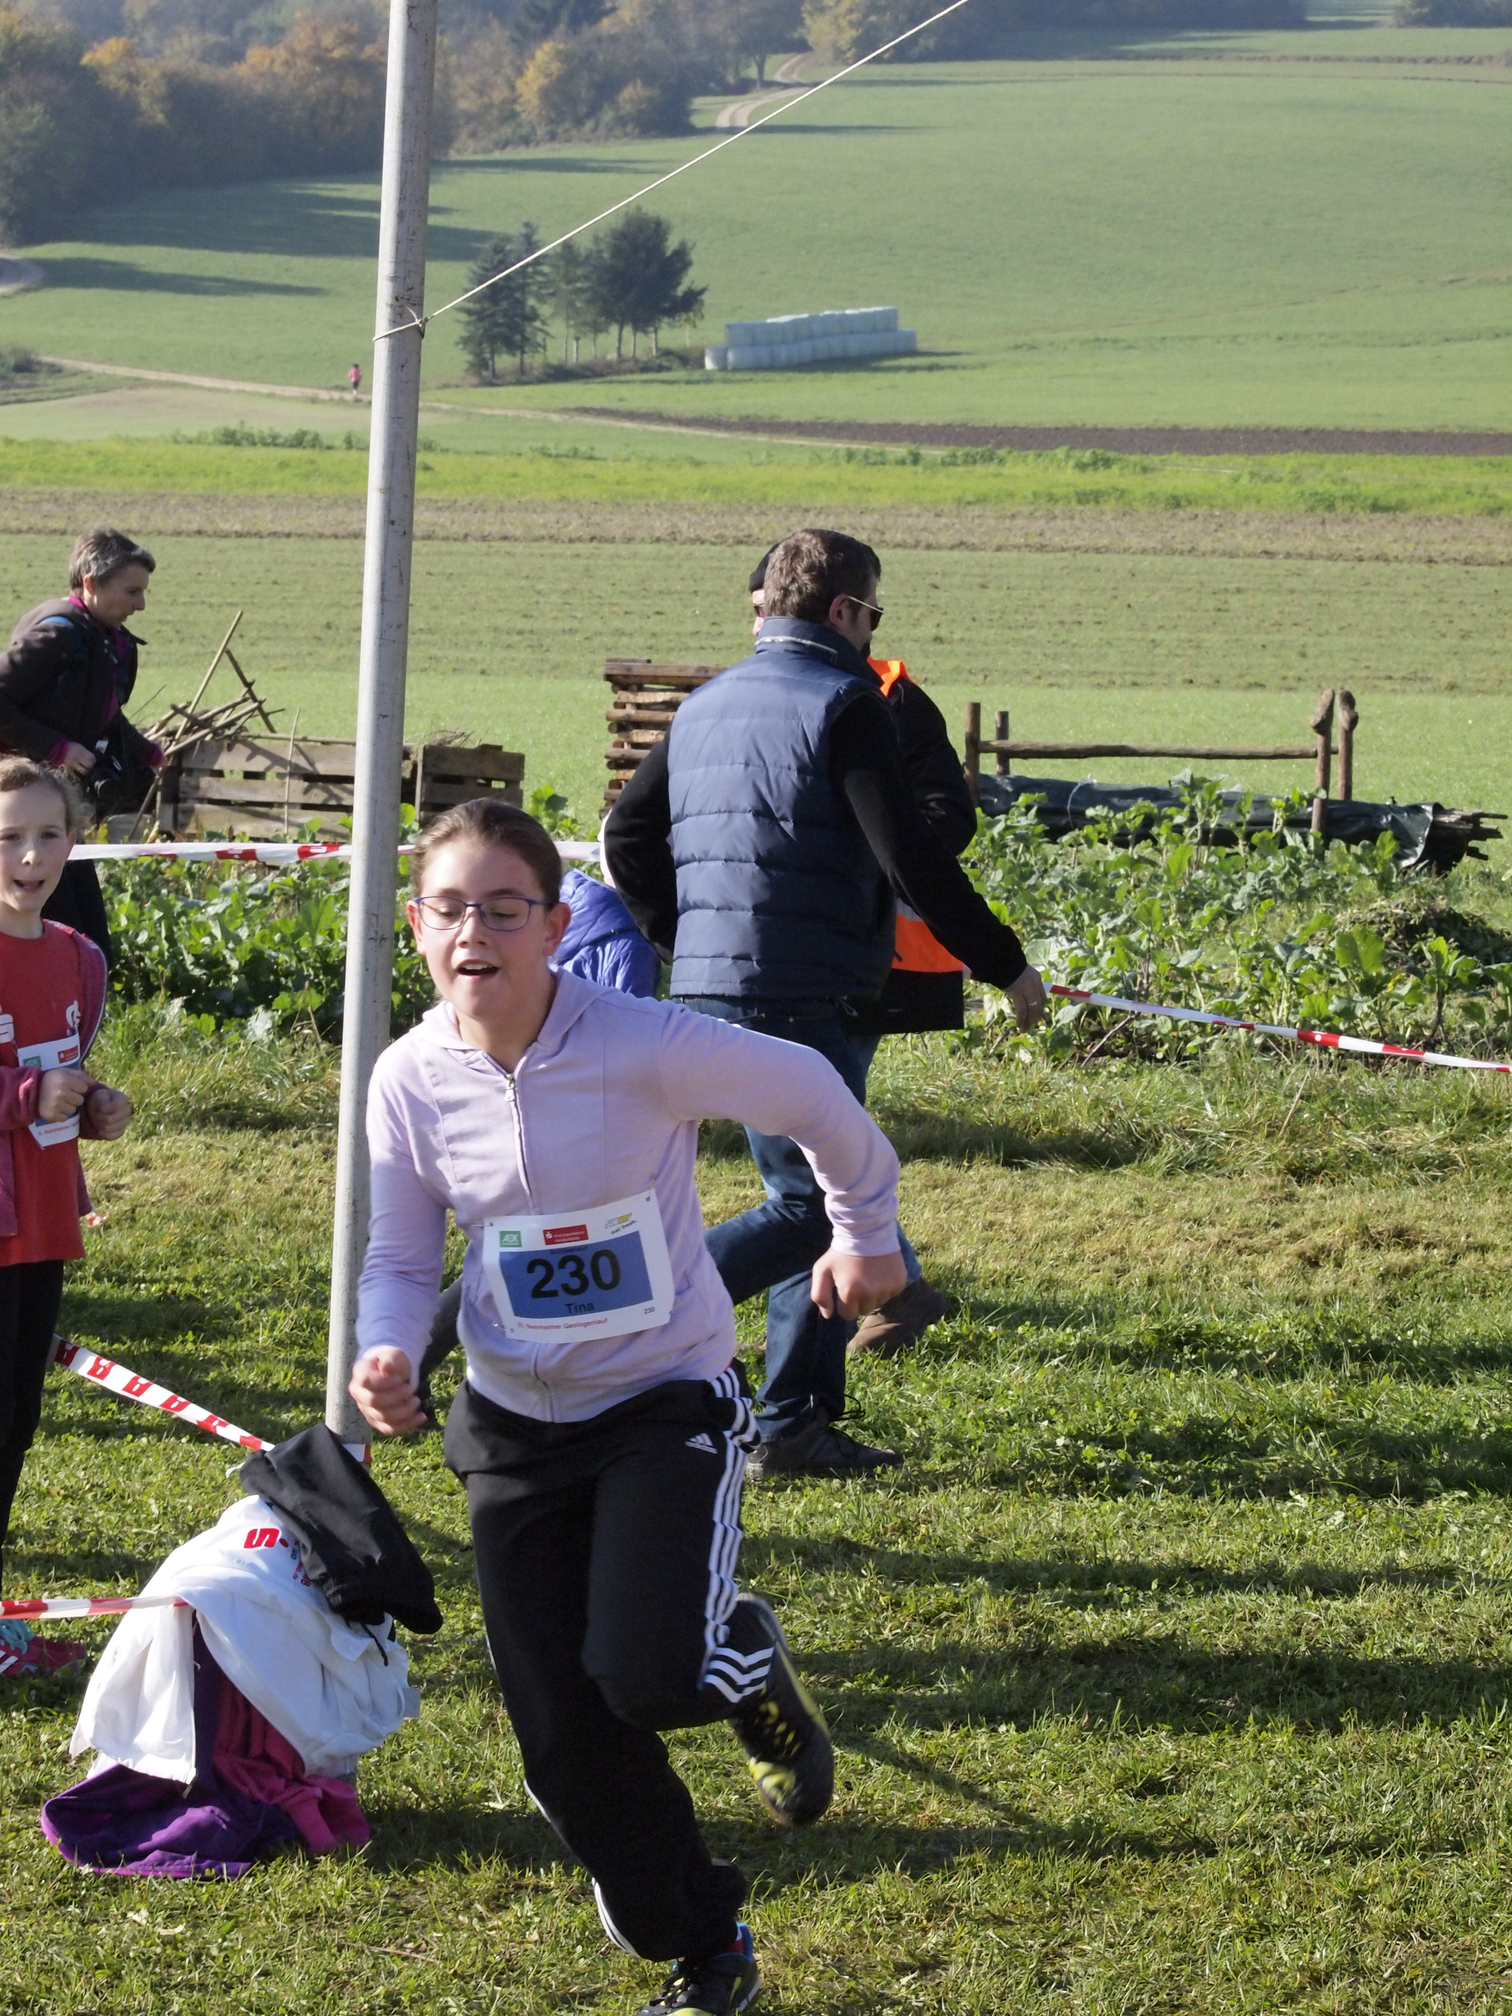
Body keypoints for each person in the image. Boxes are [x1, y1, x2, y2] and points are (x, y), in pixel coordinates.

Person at [349, 799, 904, 2016]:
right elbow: (398, 1254)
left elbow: (811, 1089)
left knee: (648, 1675)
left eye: (505, 909)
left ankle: (742, 1659)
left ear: (555, 927)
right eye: (450, 909)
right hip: (511, 1424)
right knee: (563, 1745)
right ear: (417, 926)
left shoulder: (641, 1042)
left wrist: (865, 1232)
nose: (475, 933)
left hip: (663, 1400)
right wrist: (385, 1350)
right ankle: (705, 1948)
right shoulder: (408, 1078)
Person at [604, 528, 1048, 1479]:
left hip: (713, 987)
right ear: (844, 610)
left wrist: (685, 937)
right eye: (873, 614)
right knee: (817, 1207)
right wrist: (1003, 962)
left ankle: (793, 1420)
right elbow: (913, 856)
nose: (873, 633)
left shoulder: (707, 702)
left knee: (807, 1196)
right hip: (807, 991)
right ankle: (613, 1322)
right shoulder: (847, 703)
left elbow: (626, 835)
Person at [746, 544, 973, 1360]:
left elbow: (948, 819)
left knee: (809, 1157)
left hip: (870, 959)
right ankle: (886, 1290)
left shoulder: (889, 699)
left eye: (769, 611)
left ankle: (877, 1301)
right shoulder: (756, 696)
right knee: (813, 1149)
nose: (761, 627)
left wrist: (854, 849)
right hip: (786, 953)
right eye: (754, 613)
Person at [0, 759, 132, 1681]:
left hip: (43, 1225)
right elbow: (24, 1089)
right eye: (8, 837)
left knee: (13, 1426)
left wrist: (93, 1106)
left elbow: (59, 1079)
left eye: (49, 835)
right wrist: (25, 1094)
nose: (31, 856)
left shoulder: (79, 957)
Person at [0, 528, 160, 964]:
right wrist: (58, 749)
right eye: (131, 591)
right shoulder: (58, 636)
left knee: (90, 941)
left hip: (55, 807)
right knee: (60, 932)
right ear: (90, 584)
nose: (140, 605)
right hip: (19, 812)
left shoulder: (104, 640)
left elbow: (101, 711)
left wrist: (146, 752)